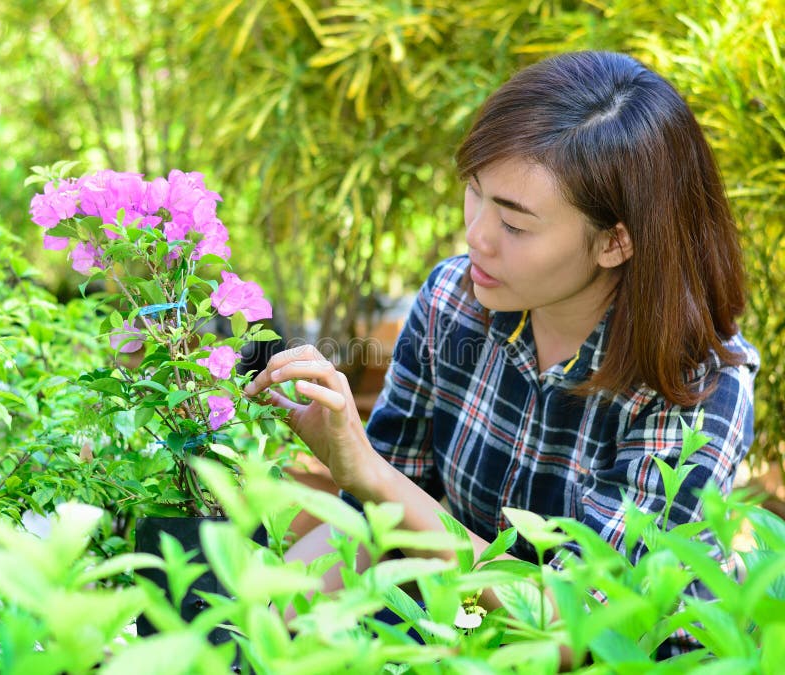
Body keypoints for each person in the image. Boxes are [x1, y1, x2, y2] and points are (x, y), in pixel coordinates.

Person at [244, 50, 759, 659]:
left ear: (615, 242)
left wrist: (373, 476)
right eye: (474, 192)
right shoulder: (454, 301)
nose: (477, 234)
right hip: (459, 625)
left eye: (515, 225)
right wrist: (253, 625)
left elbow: (580, 629)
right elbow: (378, 518)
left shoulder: (699, 386)